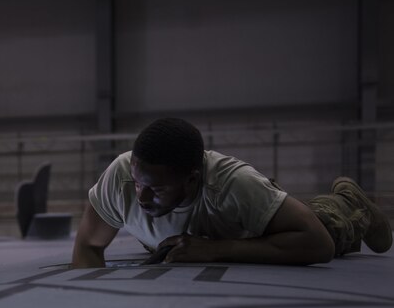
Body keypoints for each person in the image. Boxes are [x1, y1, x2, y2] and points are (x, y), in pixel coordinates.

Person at [72, 118, 393, 268]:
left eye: (156, 189)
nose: (141, 198)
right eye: (138, 183)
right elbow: (88, 245)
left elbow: (317, 245)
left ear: (191, 179)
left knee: (331, 227)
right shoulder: (120, 177)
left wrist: (215, 249)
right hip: (191, 231)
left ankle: (348, 200)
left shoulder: (233, 184)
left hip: (247, 227)